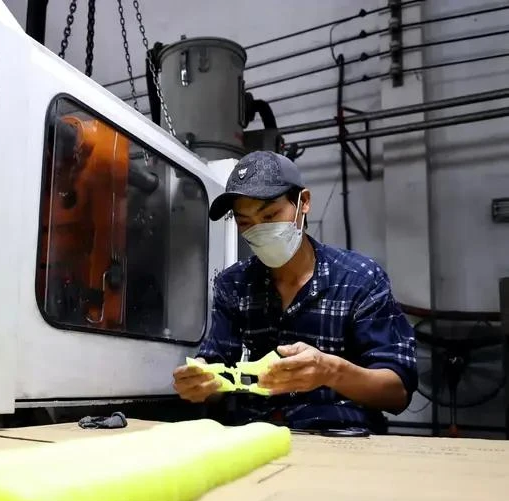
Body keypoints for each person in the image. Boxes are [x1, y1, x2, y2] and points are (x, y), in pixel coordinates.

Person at [172, 150, 417, 433]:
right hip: (255, 438)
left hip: (341, 438)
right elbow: (217, 374)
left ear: (304, 203)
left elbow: (397, 393)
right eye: (245, 222)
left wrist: (330, 371)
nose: (259, 230)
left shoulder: (359, 279)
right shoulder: (234, 285)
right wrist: (201, 382)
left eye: (271, 214)